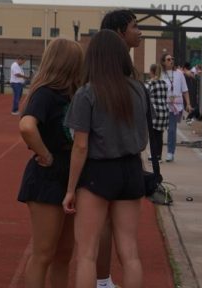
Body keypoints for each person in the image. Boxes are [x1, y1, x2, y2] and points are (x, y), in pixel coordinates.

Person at [63, 30, 149, 288]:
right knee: (130, 252)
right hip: (132, 170)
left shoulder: (87, 93)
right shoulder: (138, 89)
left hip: (98, 172)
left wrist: (70, 189)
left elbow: (80, 146)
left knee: (87, 254)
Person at [16, 39, 83, 288]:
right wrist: (45, 154)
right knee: (44, 253)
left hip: (72, 174)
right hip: (48, 175)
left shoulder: (76, 93)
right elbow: (26, 126)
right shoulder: (46, 93)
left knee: (64, 254)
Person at [94, 8, 144, 288]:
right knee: (108, 231)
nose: (139, 32)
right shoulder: (99, 72)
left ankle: (103, 281)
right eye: (135, 27)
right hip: (108, 159)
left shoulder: (127, 71)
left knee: (113, 232)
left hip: (115, 160)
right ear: (118, 33)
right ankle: (102, 281)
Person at [160, 54, 189, 162]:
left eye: (172, 59)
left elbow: (185, 90)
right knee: (159, 131)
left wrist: (188, 104)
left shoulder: (179, 74)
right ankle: (157, 153)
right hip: (162, 105)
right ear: (163, 62)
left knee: (172, 130)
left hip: (175, 107)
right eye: (168, 59)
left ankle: (170, 152)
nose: (171, 60)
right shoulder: (161, 74)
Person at [143, 64, 168, 183]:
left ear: (152, 71)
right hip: (164, 111)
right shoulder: (163, 83)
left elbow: (144, 91)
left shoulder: (150, 83)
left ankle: (154, 156)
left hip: (155, 112)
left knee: (152, 135)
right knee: (160, 134)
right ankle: (159, 155)